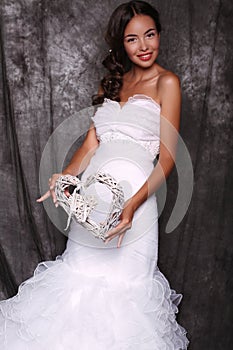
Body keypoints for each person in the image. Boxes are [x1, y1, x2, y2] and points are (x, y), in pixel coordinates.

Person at [0, 1, 190, 348]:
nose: (144, 46)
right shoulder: (113, 83)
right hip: (96, 205)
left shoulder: (167, 83)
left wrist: (131, 206)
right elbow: (91, 144)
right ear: (121, 43)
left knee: (125, 294)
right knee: (79, 280)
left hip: (135, 206)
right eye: (133, 39)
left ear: (159, 34)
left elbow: (166, 159)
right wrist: (66, 176)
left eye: (150, 35)